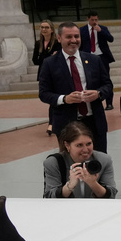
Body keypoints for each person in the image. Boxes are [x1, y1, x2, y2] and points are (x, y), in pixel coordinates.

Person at [38, 22, 112, 153]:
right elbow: (43, 93)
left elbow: (108, 85)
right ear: (59, 38)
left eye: (76, 36)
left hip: (95, 122)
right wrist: (64, 99)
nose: (73, 40)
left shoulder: (93, 60)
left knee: (98, 161)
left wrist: (98, 93)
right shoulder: (49, 63)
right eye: (69, 37)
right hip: (67, 124)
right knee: (72, 163)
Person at [42, 121, 117, 199]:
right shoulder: (53, 163)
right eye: (79, 145)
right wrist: (69, 186)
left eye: (89, 144)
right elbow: (49, 198)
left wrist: (93, 184)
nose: (85, 150)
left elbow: (112, 195)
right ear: (67, 145)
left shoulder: (104, 160)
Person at [79, 10, 115, 110]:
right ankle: (92, 101)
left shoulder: (103, 28)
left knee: (106, 79)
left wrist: (101, 31)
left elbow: (111, 39)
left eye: (96, 19)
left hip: (101, 56)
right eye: (92, 20)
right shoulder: (82, 30)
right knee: (89, 79)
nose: (94, 22)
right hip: (88, 57)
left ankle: (109, 103)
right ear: (88, 19)